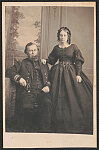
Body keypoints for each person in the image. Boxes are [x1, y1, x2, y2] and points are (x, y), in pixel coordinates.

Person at [42, 27, 93, 134]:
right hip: (57, 75)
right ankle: (59, 123)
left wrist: (78, 74)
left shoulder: (73, 47)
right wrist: (45, 60)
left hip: (71, 73)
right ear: (58, 36)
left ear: (68, 36)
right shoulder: (56, 48)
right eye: (61, 35)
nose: (63, 37)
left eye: (65, 35)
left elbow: (78, 61)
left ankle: (73, 122)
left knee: (73, 96)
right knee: (58, 96)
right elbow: (52, 60)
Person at [6, 42, 52, 132]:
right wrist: (19, 78)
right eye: (30, 51)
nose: (33, 52)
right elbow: (9, 71)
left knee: (47, 103)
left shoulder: (43, 64)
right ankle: (27, 132)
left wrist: (47, 86)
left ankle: (45, 132)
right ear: (26, 52)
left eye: (34, 50)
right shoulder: (21, 63)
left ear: (37, 51)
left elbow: (50, 78)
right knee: (27, 107)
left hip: (42, 92)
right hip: (27, 91)